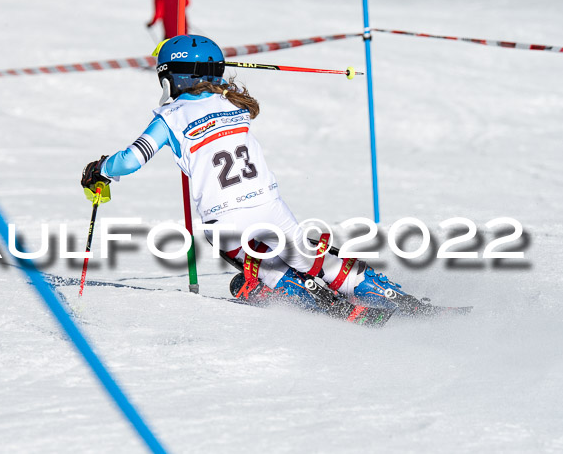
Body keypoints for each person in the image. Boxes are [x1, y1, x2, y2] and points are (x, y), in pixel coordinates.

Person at [80, 35, 413, 314]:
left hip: (223, 220)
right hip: (270, 207)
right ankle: (378, 292)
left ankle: (305, 296)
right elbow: (217, 91)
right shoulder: (235, 104)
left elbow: (129, 160)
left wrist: (101, 170)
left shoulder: (170, 116)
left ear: (170, 78)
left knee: (258, 259)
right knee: (311, 257)